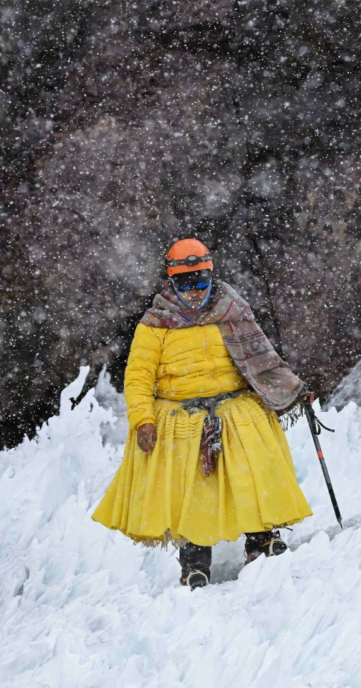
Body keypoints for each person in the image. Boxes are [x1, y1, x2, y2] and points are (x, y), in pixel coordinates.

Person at [91, 238, 315, 588]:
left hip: (236, 409)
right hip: (181, 419)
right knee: (193, 493)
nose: (194, 291)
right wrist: (143, 421)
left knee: (252, 475)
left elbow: (261, 358)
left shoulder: (232, 311)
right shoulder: (155, 324)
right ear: (171, 281)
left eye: (200, 281)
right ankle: (194, 563)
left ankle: (261, 540)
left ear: (210, 276)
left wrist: (291, 388)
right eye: (185, 283)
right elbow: (137, 377)